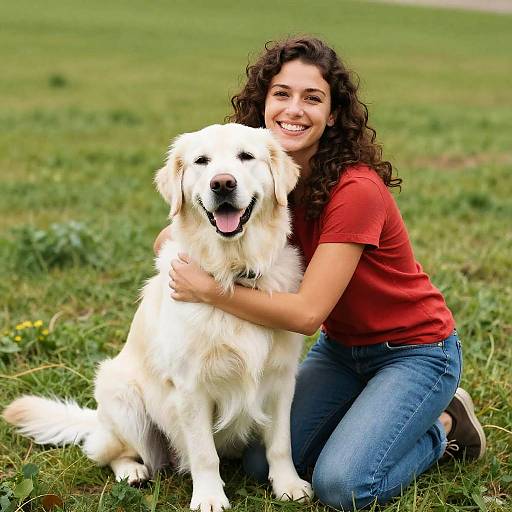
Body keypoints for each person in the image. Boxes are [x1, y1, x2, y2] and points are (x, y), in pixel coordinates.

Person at [155, 37, 486, 510]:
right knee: (257, 465)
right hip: (341, 351)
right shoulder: (257, 170)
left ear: (333, 115)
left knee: (343, 486)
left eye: (313, 98)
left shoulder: (355, 191)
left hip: (413, 351)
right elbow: (180, 229)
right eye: (282, 94)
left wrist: (208, 289)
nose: (295, 109)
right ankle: (371, 414)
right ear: (264, 104)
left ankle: (446, 423)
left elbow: (308, 314)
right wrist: (177, 239)